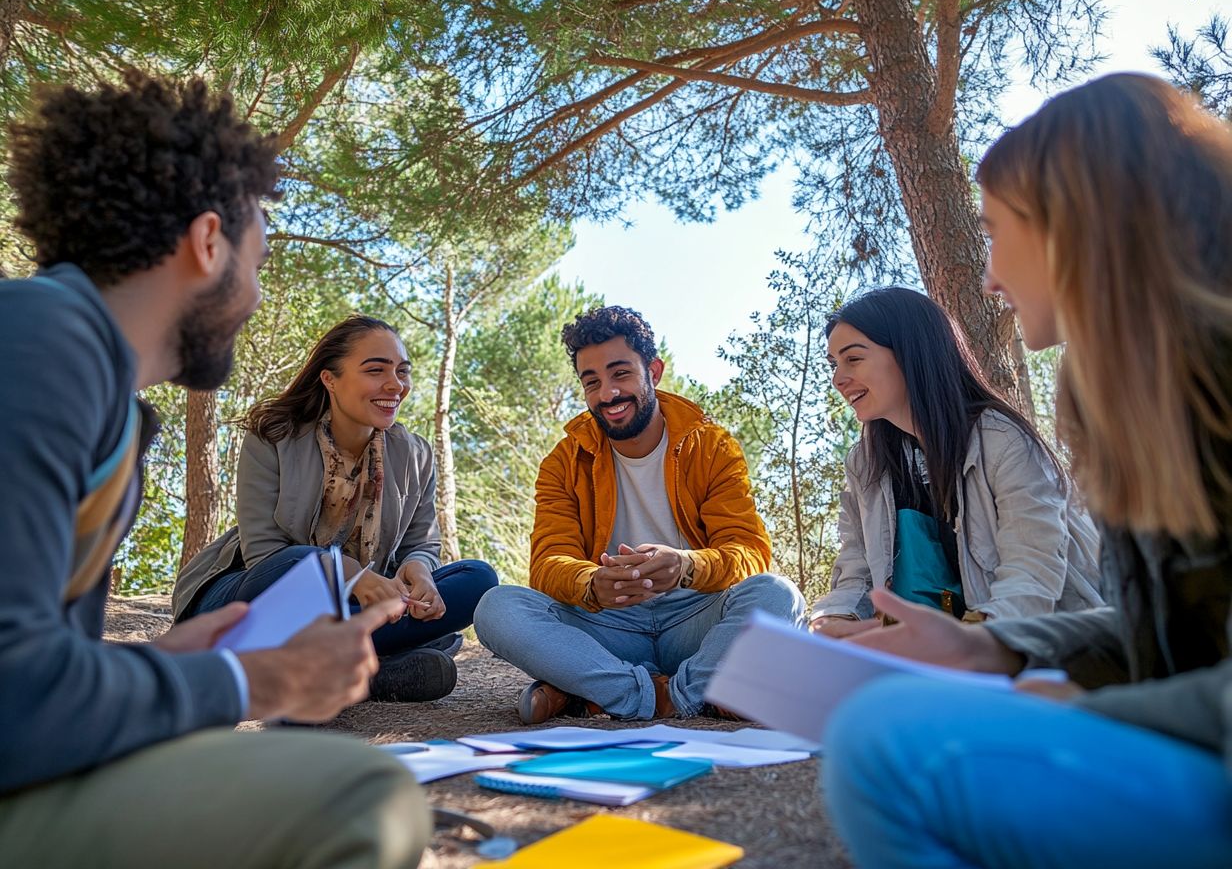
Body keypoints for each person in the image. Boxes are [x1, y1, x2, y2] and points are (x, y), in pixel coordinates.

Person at [0, 72, 429, 868]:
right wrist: (249, 683)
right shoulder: (42, 343)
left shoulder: (93, 382)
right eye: (257, 264)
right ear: (207, 245)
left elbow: (38, 669)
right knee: (366, 795)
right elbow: (16, 696)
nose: (257, 296)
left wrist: (167, 664)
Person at [821, 74, 1232, 868]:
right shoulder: (1134, 400)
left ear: (1079, 226)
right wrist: (990, 653)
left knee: (883, 749)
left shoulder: (1011, 436)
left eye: (996, 232)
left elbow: (1037, 573)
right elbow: (1171, 634)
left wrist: (1096, 708)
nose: (989, 276)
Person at [473, 305, 806, 723]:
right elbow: (548, 564)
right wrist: (591, 582)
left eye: (620, 374)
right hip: (608, 624)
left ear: (654, 370)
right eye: (591, 382)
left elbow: (748, 551)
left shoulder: (712, 447)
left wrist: (687, 567)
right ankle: (672, 693)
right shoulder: (562, 462)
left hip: (695, 620)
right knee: (497, 607)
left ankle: (598, 692)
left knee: (778, 595)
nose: (607, 394)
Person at [173, 315, 498, 702]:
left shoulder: (415, 454)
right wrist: (351, 576)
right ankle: (376, 661)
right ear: (330, 379)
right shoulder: (274, 436)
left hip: (352, 605)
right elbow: (264, 554)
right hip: (252, 598)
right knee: (294, 566)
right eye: (376, 370)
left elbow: (421, 543)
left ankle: (339, 675)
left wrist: (419, 575)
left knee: (478, 579)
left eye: (402, 371)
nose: (395, 385)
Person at [812, 287, 1101, 636]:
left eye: (853, 359)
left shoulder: (1001, 439)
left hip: (1047, 646)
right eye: (833, 365)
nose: (838, 379)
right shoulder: (864, 465)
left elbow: (1033, 570)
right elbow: (855, 572)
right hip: (931, 658)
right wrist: (834, 621)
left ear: (910, 352)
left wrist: (975, 638)